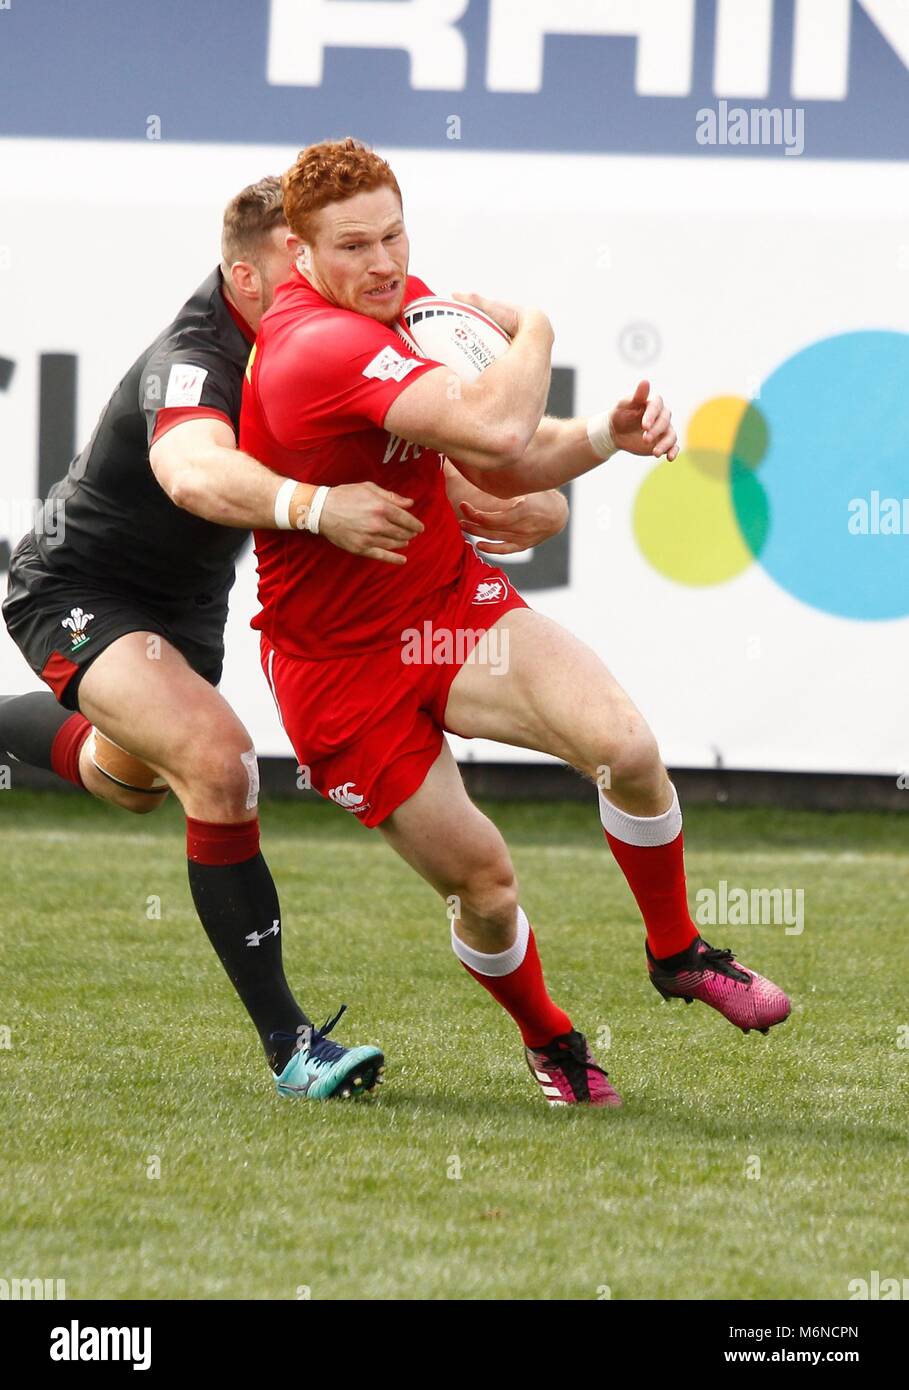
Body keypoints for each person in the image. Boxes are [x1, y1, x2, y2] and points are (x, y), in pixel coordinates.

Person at [240, 139, 791, 1110]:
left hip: (446, 606)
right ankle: (554, 1041)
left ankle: (679, 952)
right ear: (299, 252)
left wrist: (600, 439)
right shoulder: (314, 346)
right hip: (340, 674)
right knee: (487, 886)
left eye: (394, 233)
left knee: (624, 744)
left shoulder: (395, 303)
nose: (383, 262)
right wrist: (537, 323)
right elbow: (495, 427)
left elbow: (502, 462)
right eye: (354, 245)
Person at [1, 173, 571, 1102]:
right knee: (221, 765)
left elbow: (444, 441)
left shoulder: (326, 333)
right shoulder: (193, 357)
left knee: (129, 779)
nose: (320, 285)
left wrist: (517, 490)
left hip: (186, 607)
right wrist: (314, 506)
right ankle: (292, 1048)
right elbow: (192, 474)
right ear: (246, 275)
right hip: (80, 590)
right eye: (294, 269)